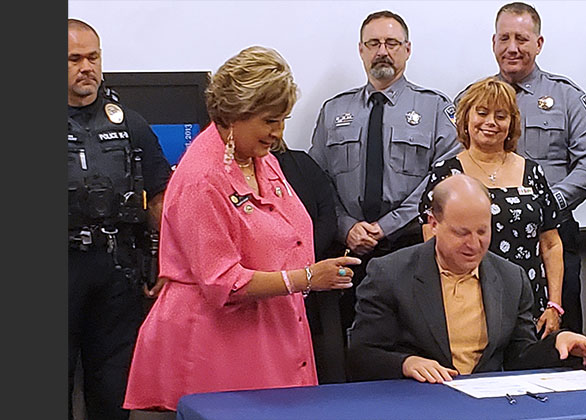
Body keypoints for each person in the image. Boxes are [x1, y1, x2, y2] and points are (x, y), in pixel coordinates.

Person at [122, 46, 362, 414]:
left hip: (272, 335)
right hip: (216, 346)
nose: (278, 133)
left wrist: (304, 277)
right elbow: (224, 282)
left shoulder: (258, 158)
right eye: (269, 121)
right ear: (236, 114)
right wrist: (308, 277)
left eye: (282, 119)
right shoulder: (202, 179)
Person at [348, 174, 586, 382]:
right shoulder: (389, 273)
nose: (474, 244)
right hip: (419, 400)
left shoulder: (511, 278)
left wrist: (559, 342)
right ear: (433, 223)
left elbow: (519, 357)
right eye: (461, 233)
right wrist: (406, 363)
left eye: (483, 231)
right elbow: (361, 354)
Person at [309, 10, 461, 344]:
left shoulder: (435, 109)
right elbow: (318, 182)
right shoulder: (334, 111)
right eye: (374, 43)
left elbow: (443, 179)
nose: (382, 51)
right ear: (361, 50)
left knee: (411, 345)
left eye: (391, 43)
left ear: (407, 49)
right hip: (347, 254)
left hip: (410, 248)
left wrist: (385, 226)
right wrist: (346, 226)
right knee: (350, 348)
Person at [460, 2, 586, 334]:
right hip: (483, 238)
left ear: (538, 44)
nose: (513, 48)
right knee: (484, 333)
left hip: (551, 237)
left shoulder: (566, 97)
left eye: (522, 39)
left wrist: (543, 206)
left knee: (557, 337)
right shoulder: (473, 101)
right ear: (493, 42)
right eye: (505, 38)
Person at [68, 19, 172, 420]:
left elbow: (161, 197)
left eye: (93, 57)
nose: (87, 67)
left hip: (116, 268)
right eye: (74, 59)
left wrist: (164, 262)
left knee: (113, 385)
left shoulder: (129, 124)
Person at [419, 77, 563, 338]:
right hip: (467, 306)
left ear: (512, 124)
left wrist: (554, 305)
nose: (490, 123)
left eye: (501, 116)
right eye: (482, 113)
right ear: (466, 118)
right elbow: (432, 244)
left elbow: (551, 244)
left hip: (529, 305)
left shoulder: (533, 172)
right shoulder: (446, 174)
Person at [273, 138, 347, 384]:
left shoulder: (303, 163)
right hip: (266, 280)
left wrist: (301, 258)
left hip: (314, 274)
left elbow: (327, 215)